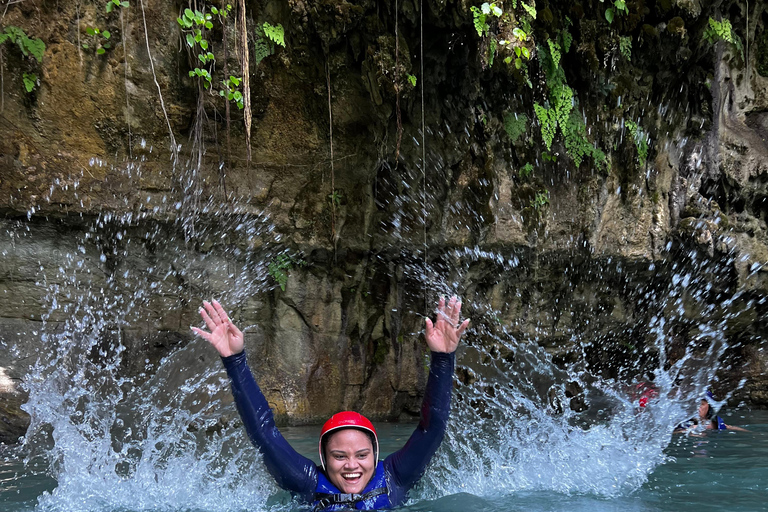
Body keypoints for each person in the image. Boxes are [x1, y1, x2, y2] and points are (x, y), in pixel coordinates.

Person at [192, 296, 470, 511]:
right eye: (340, 456)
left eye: (362, 455)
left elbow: (431, 429)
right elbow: (264, 434)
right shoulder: (308, 483)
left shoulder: (396, 477)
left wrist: (443, 358)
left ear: (375, 454)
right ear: (323, 459)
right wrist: (234, 360)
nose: (352, 466)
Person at [673, 391, 749, 433]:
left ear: (708, 406)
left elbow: (729, 427)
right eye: (693, 404)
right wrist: (686, 431)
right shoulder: (681, 422)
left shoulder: (715, 423)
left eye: (701, 405)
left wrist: (753, 433)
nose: (697, 408)